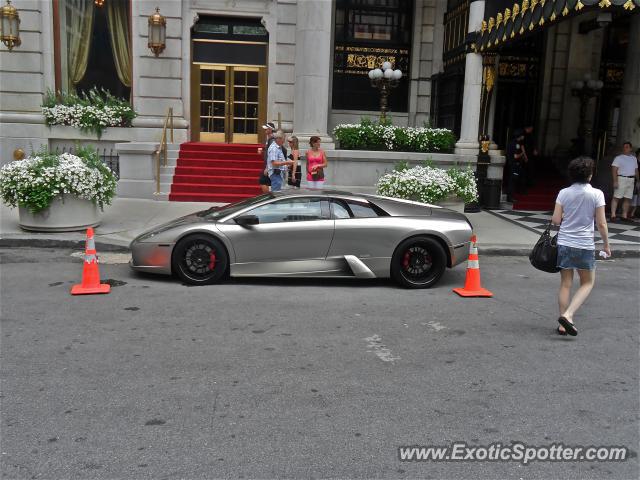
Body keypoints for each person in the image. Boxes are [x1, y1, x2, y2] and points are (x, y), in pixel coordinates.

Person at [551, 156, 610, 337]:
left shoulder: (563, 193)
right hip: (584, 244)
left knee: (566, 284)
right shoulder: (597, 194)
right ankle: (568, 316)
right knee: (587, 282)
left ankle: (562, 323)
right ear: (590, 175)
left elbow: (555, 220)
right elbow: (601, 224)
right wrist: (606, 245)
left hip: (565, 242)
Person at [610, 142, 639, 222]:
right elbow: (614, 170)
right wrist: (615, 181)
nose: (625, 148)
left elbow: (636, 170)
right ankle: (613, 215)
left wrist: (638, 181)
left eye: (626, 147)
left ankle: (624, 215)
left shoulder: (634, 158)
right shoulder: (618, 158)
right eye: (624, 147)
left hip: (631, 179)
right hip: (621, 178)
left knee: (628, 198)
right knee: (616, 197)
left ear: (630, 148)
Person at [505, 130, 526, 202]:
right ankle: (510, 197)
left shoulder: (513, 143)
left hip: (512, 165)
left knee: (513, 180)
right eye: (522, 135)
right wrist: (522, 153)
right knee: (512, 181)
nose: (523, 137)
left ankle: (510, 196)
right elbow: (515, 156)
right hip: (514, 165)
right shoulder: (515, 144)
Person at [258, 122, 276, 193]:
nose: (265, 130)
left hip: (270, 165)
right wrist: (263, 150)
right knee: (266, 181)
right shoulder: (269, 138)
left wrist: (268, 167)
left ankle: (269, 197)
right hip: (268, 164)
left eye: (267, 128)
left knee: (263, 180)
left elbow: (272, 154)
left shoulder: (272, 139)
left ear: (270, 129)